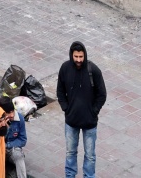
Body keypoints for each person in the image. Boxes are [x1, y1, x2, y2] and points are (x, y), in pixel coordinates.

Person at [56, 41, 106, 178]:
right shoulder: (65, 68)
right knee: (70, 153)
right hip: (71, 121)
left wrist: (93, 111)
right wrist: (66, 109)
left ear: (85, 55)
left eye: (81, 57)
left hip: (89, 123)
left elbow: (102, 95)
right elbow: (60, 91)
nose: (79, 60)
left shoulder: (93, 70)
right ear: (71, 55)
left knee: (90, 155)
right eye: (76, 57)